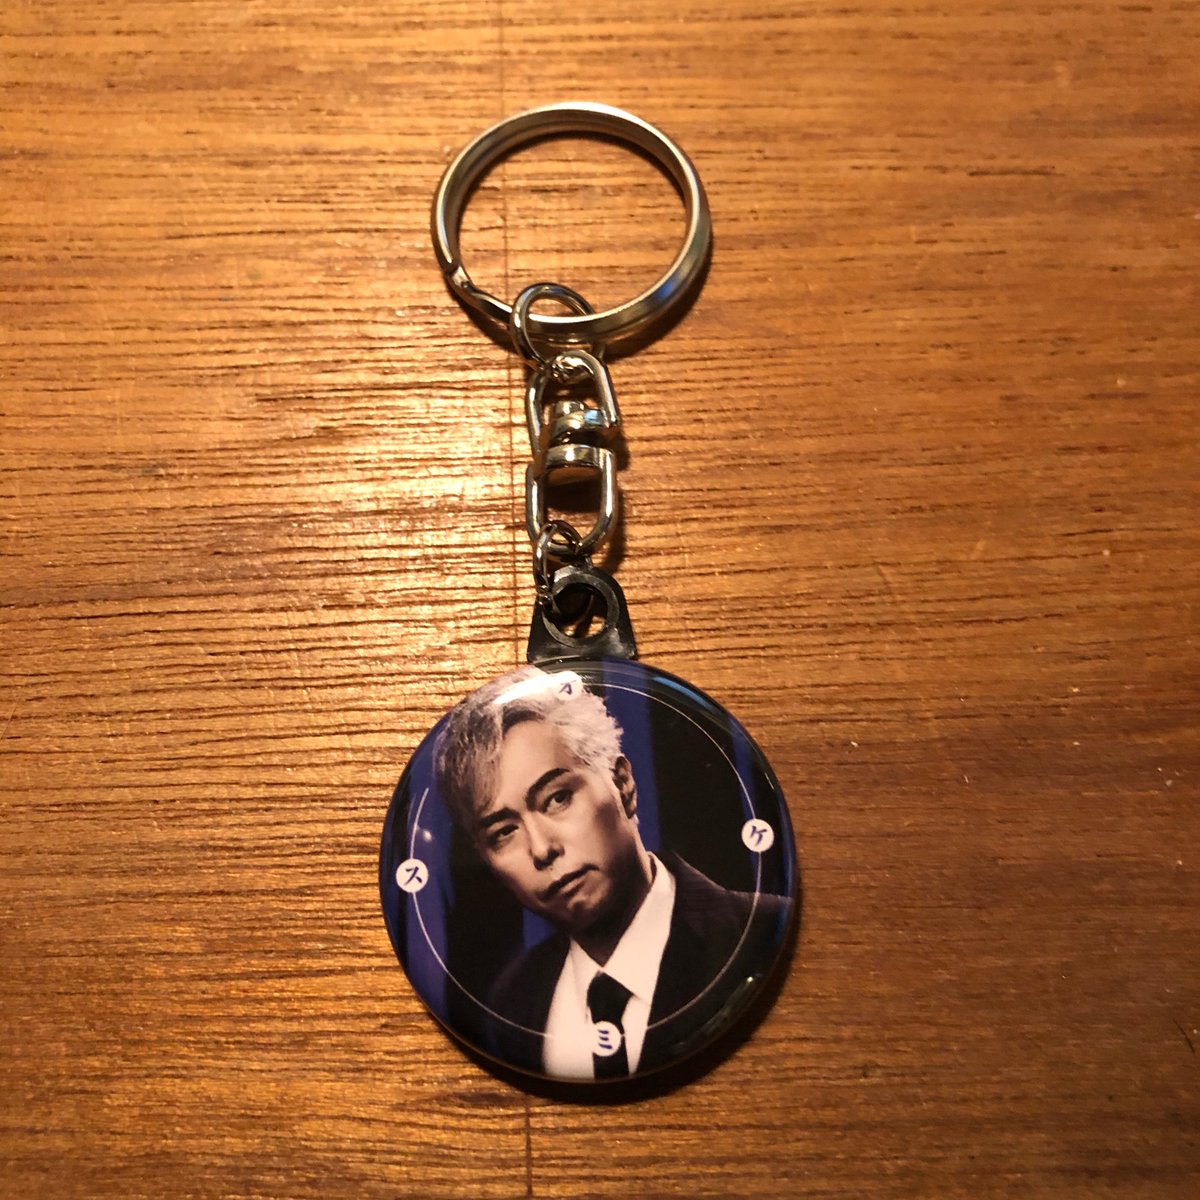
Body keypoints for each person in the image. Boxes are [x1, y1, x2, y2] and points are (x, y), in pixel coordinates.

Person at [433, 664, 790, 1080]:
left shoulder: (760, 929)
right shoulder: (511, 1002)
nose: (542, 849)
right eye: (503, 832)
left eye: (557, 798)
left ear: (623, 785)